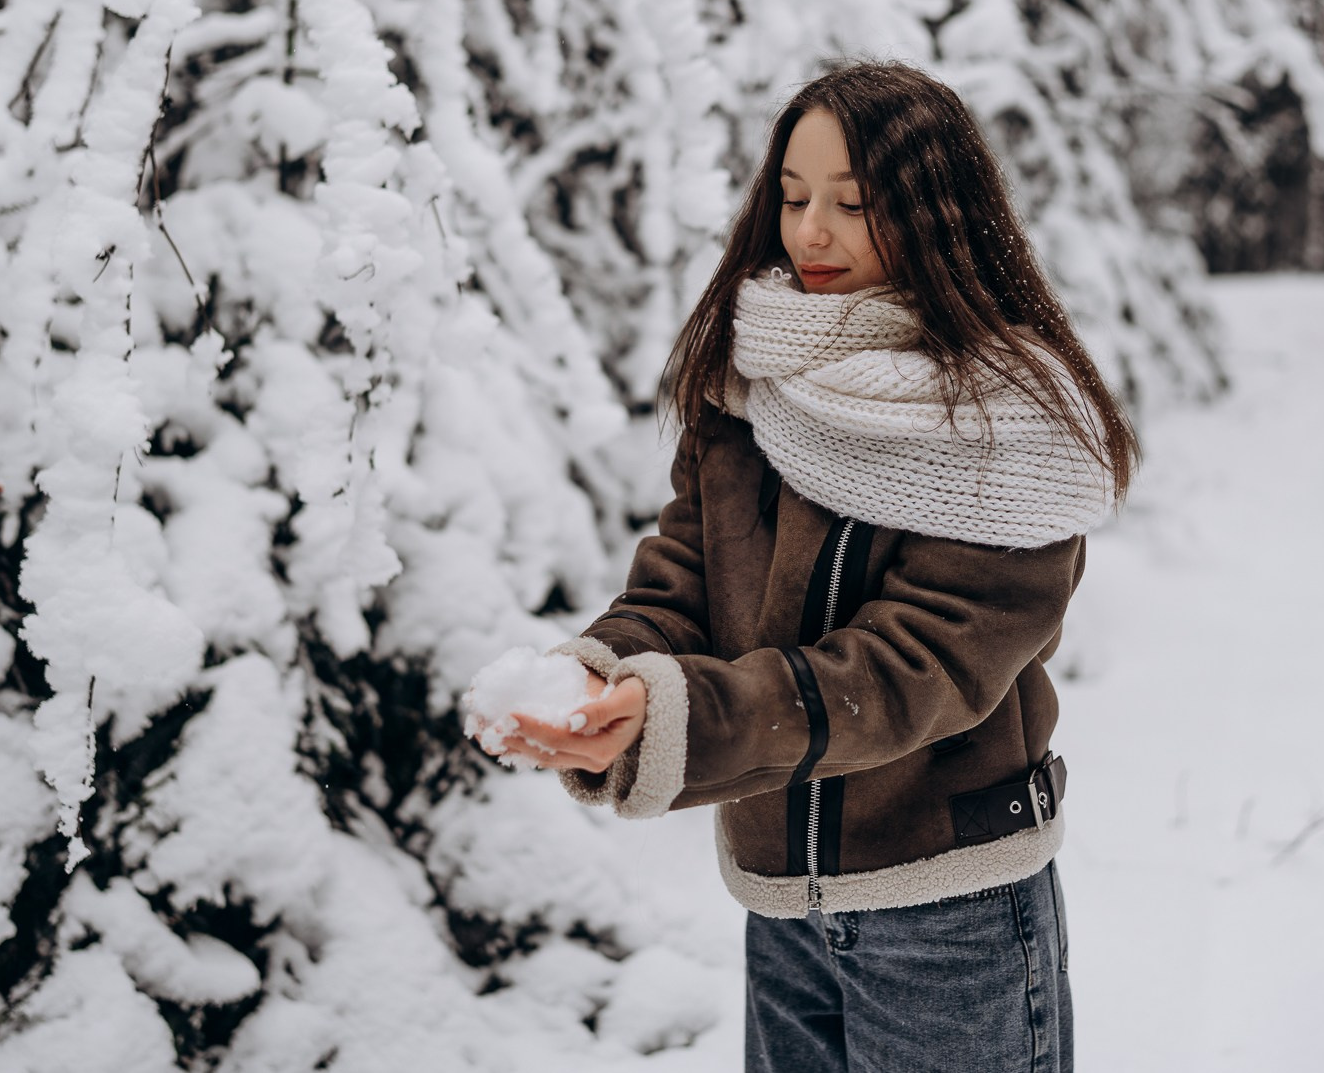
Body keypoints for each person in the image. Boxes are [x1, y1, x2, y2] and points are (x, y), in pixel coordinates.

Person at [480, 59, 1138, 1073]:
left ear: (937, 214)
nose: (811, 234)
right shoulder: (754, 384)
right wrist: (603, 674)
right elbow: (683, 579)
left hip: (950, 914)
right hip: (782, 909)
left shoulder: (1008, 426)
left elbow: (915, 667)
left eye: (852, 204)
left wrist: (685, 714)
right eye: (792, 198)